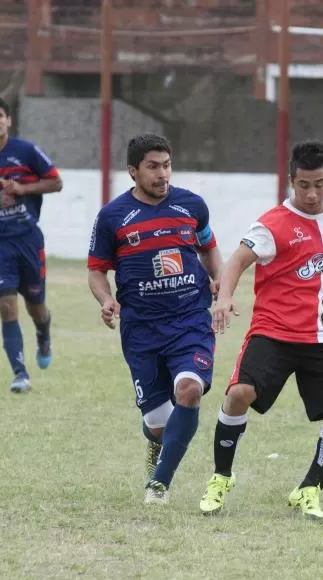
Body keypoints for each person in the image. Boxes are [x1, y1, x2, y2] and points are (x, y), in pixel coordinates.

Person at [198, 139, 323, 520]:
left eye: (319, 184)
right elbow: (238, 261)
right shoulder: (272, 224)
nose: (311, 193)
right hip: (274, 330)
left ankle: (309, 489)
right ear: (291, 181)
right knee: (241, 392)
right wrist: (224, 298)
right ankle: (221, 478)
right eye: (303, 185)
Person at [87, 133, 223, 505]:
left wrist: (219, 284)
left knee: (190, 390)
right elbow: (96, 270)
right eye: (152, 167)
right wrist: (105, 299)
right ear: (133, 171)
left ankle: (158, 485)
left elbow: (209, 247)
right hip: (142, 330)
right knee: (159, 427)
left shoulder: (192, 206)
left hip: (189, 321)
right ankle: (155, 444)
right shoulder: (112, 217)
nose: (162, 174)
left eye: (166, 165)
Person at [0, 95, 64, 393]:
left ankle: (43, 332)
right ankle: (20, 374)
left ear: (8, 121)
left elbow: (56, 182)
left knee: (36, 307)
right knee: (6, 304)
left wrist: (23, 188)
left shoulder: (27, 151)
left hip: (28, 239)